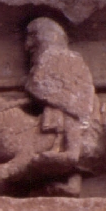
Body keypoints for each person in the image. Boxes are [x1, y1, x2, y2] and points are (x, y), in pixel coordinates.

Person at [24, 17, 96, 194]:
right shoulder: (61, 58)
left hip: (73, 104)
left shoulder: (55, 57)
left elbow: (39, 84)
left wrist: (35, 88)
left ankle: (71, 154)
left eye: (33, 37)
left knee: (70, 121)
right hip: (65, 103)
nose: (28, 45)